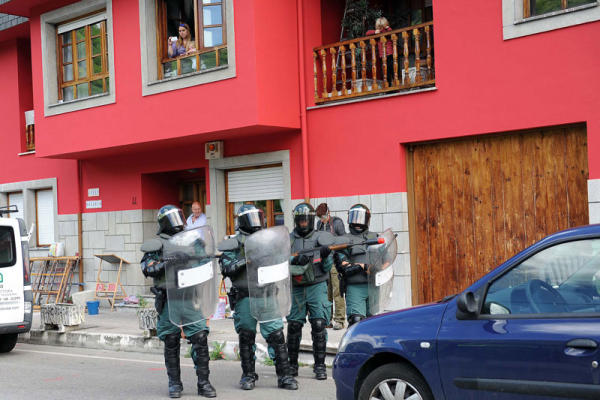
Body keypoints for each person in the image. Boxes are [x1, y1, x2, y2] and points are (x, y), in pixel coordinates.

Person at [218, 204, 298, 391]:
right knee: (246, 336)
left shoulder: (268, 240)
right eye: (251, 218)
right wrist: (246, 260)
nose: (255, 222)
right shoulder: (232, 243)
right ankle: (248, 375)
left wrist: (294, 259)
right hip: (245, 296)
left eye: (257, 217)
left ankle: (285, 375)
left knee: (276, 335)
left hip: (267, 294)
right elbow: (227, 268)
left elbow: (281, 259)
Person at [140, 205, 216, 399]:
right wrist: (169, 262)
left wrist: (192, 258)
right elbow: (147, 269)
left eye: (179, 217)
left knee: (200, 338)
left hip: (190, 298)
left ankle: (204, 383)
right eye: (172, 219)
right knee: (171, 341)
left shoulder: (192, 240)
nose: (177, 222)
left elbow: (206, 262)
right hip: (168, 300)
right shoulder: (156, 245)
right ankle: (175, 383)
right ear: (164, 223)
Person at [287, 203, 334, 380]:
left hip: (317, 285)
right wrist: (294, 262)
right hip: (296, 287)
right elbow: (280, 262)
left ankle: (320, 366)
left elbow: (327, 268)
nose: (304, 223)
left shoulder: (321, 238)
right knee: (293, 326)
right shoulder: (288, 239)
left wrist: (325, 255)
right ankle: (291, 366)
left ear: (312, 219)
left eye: (307, 220)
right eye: (300, 220)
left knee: (319, 324)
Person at [335, 203, 379, 327]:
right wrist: (362, 266)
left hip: (374, 286)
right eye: (355, 218)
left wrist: (380, 268)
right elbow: (342, 266)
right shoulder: (343, 240)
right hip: (355, 286)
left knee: (375, 324)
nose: (358, 223)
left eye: (361, 218)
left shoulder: (375, 237)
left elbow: (385, 259)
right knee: (356, 322)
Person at [315, 203, 346, 330]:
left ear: (328, 213)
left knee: (337, 291)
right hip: (323, 262)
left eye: (323, 217)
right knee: (326, 292)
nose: (321, 220)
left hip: (335, 260)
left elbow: (344, 241)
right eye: (319, 218)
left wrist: (341, 260)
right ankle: (327, 319)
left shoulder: (337, 223)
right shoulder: (319, 225)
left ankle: (339, 320)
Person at [366, 17, 394, 86]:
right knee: (385, 71)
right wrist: (375, 32)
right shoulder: (377, 32)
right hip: (382, 55)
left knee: (392, 69)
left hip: (390, 53)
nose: (381, 28)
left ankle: (393, 84)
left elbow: (391, 31)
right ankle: (388, 85)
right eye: (379, 26)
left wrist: (387, 27)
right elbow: (367, 33)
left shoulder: (387, 30)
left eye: (382, 26)